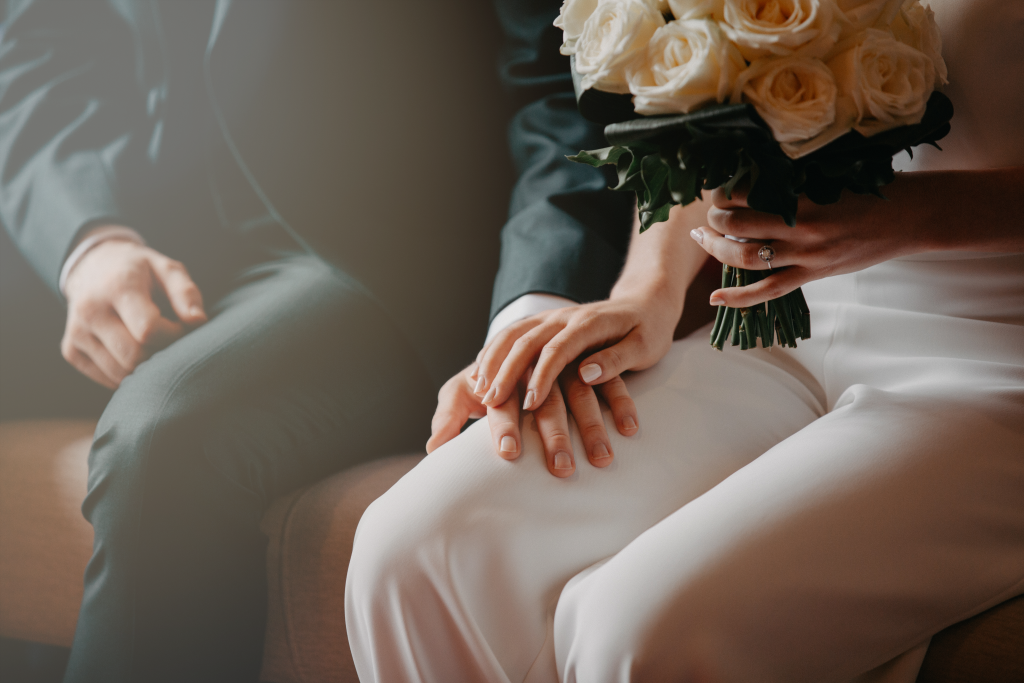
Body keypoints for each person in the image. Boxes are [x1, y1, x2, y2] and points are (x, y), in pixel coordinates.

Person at [344, 0, 1024, 681]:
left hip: (997, 366)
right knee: (411, 547)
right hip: (788, 318)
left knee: (638, 635)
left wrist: (910, 218)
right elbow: (717, 82)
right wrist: (647, 294)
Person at [0, 1, 585, 681]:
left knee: (163, 440)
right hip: (138, 211)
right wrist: (88, 242)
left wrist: (532, 303)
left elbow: (556, 88)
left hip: (372, 251)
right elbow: (38, 45)